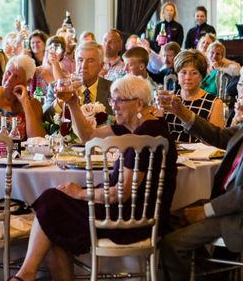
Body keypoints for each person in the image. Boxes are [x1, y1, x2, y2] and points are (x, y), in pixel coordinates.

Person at [12, 75, 177, 281]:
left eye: (118, 101)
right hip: (130, 214)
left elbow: (121, 193)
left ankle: (24, 275)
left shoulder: (145, 135)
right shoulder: (136, 127)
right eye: (112, 101)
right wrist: (73, 103)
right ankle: (26, 274)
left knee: (51, 203)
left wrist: (79, 193)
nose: (113, 106)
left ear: (139, 104)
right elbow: (88, 136)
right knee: (53, 216)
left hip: (130, 221)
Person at [158, 72, 243, 280]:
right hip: (239, 207)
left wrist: (205, 211)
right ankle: (214, 274)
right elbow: (221, 137)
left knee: (171, 244)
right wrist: (183, 114)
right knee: (165, 220)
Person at [161, 50, 224, 142]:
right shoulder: (170, 99)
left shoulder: (215, 103)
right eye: (183, 72)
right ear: (177, 74)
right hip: (170, 152)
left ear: (201, 76)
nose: (188, 77)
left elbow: (217, 140)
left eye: (194, 73)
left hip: (200, 154)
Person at [43, 41, 113, 118]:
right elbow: (45, 119)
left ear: (101, 66)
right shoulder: (57, 87)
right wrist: (61, 101)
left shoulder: (112, 89)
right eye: (80, 60)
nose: (84, 66)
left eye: (90, 61)